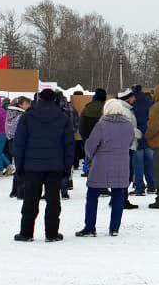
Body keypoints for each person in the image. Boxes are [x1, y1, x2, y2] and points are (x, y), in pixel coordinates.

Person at [13, 89, 74, 242]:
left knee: (30, 199)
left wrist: (19, 167)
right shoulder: (63, 117)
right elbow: (68, 145)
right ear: (55, 99)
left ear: (39, 98)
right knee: (53, 200)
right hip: (55, 165)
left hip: (32, 166)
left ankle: (26, 232)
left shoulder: (27, 116)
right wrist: (67, 167)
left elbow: (19, 143)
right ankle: (52, 233)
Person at [76, 99, 134, 237]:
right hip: (121, 164)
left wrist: (92, 156)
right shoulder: (128, 125)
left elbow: (90, 145)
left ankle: (90, 227)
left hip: (101, 164)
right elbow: (131, 142)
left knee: (92, 195)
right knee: (119, 195)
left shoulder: (101, 125)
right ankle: (114, 228)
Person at [78, 89, 107, 175]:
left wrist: (86, 139)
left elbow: (81, 126)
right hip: (104, 141)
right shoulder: (107, 108)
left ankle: (88, 171)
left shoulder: (87, 108)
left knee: (89, 157)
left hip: (89, 139)